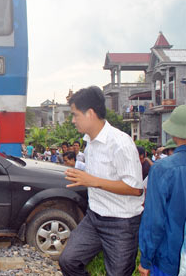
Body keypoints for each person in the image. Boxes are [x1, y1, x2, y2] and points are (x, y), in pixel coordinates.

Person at [59, 86, 143, 276]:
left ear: (90, 113)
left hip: (122, 223)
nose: (72, 120)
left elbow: (135, 189)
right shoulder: (89, 142)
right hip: (95, 217)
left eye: (75, 115)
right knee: (68, 261)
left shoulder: (121, 143)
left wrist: (92, 180)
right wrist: (85, 180)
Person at [138, 105, 186, 276]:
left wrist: (146, 260)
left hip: (170, 259)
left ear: (174, 134)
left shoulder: (163, 169)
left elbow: (154, 221)